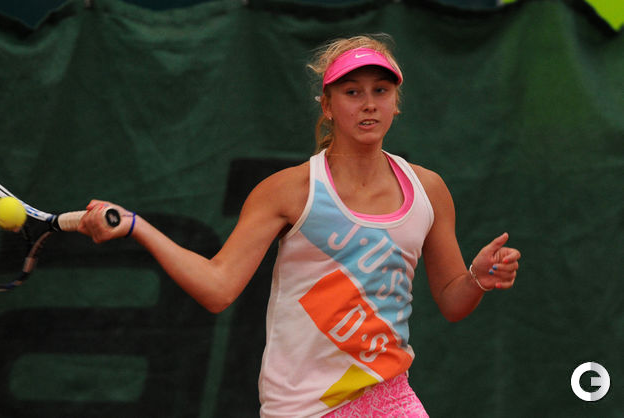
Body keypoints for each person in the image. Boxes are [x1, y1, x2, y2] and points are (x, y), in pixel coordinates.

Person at [78, 34, 521, 417]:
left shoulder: (429, 189)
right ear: (327, 106)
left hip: (390, 397)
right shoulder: (287, 191)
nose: (369, 103)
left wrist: (477, 280)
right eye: (352, 92)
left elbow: (452, 301)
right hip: (302, 408)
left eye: (381, 90)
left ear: (395, 103)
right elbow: (217, 288)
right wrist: (138, 227)